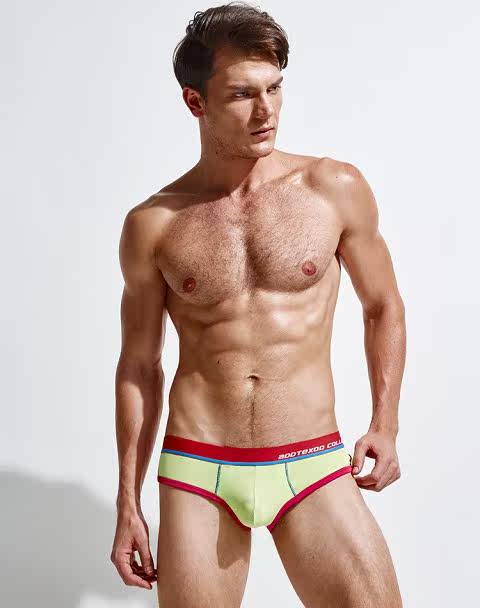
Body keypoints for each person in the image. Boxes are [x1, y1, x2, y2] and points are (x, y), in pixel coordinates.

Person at [110, 2, 406, 606]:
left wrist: (385, 423)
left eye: (275, 88)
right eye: (243, 94)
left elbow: (383, 306)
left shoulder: (333, 188)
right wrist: (127, 501)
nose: (266, 110)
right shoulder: (154, 224)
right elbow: (139, 366)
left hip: (313, 458)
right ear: (195, 102)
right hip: (198, 467)